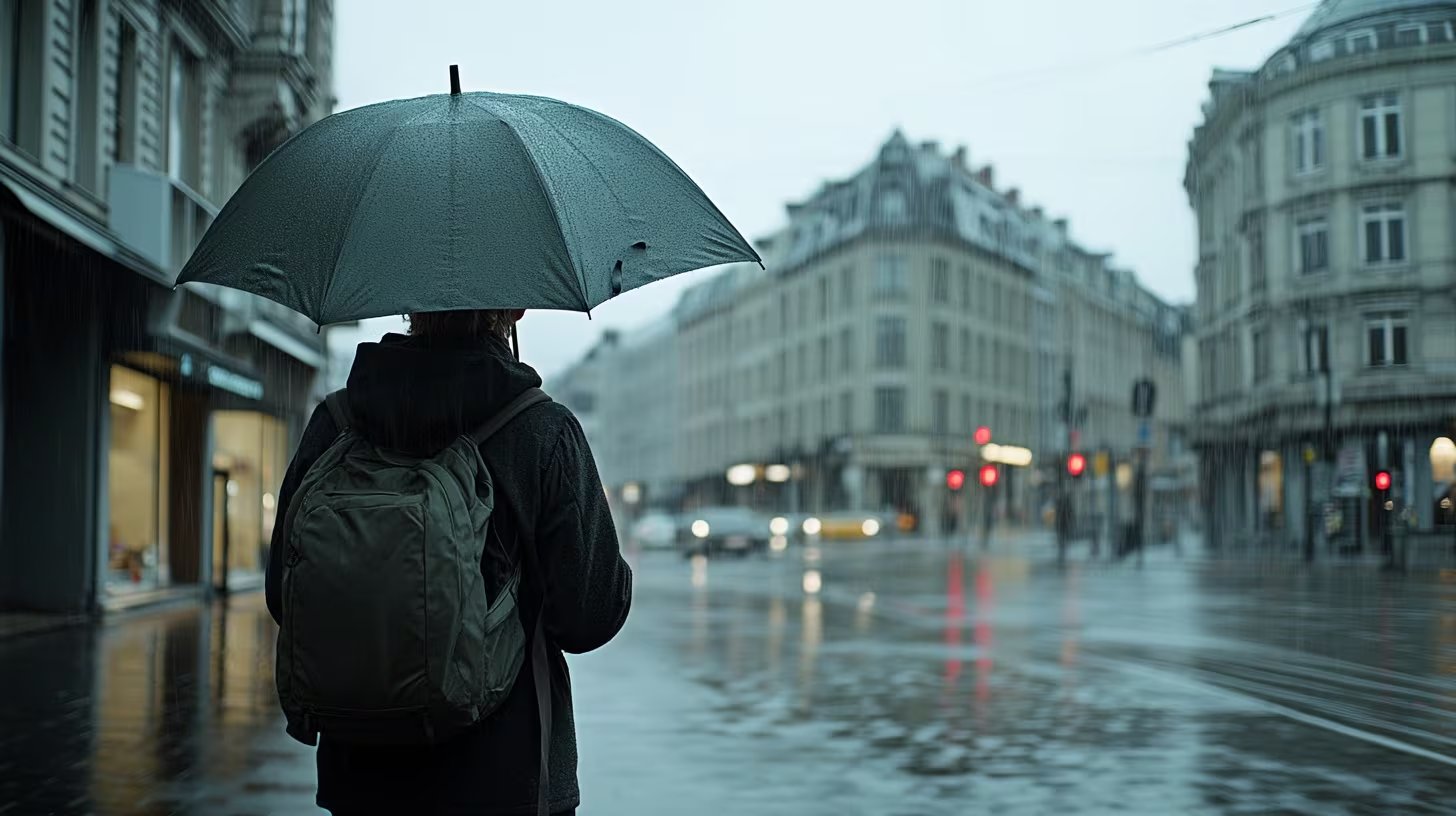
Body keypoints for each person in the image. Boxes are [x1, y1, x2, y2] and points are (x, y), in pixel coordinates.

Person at [265, 308, 632, 816]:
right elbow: (588, 618)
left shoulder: (338, 423)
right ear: (517, 309)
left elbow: (284, 596)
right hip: (509, 777)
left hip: (365, 779)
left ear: (407, 306)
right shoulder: (541, 430)